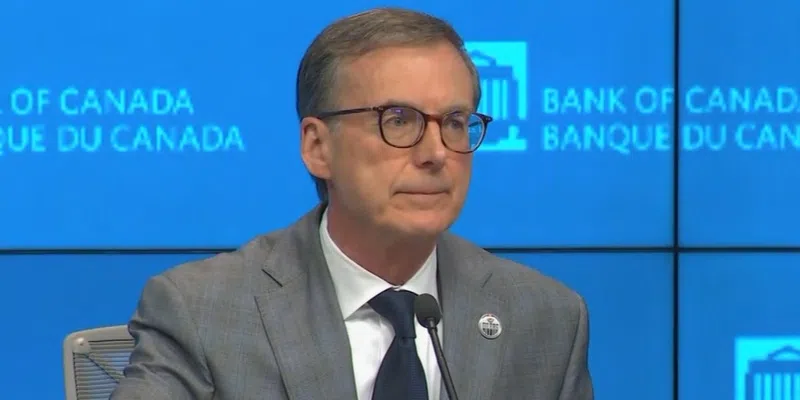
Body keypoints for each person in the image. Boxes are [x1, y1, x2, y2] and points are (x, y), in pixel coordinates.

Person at [110, 6, 593, 400]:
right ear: (318, 147)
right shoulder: (202, 311)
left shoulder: (546, 317)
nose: (436, 153)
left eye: (453, 121)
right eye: (398, 120)